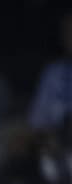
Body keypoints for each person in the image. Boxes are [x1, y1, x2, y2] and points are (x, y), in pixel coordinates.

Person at [29, 11, 72, 148]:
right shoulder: (53, 73)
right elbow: (37, 124)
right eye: (66, 31)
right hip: (57, 154)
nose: (69, 36)